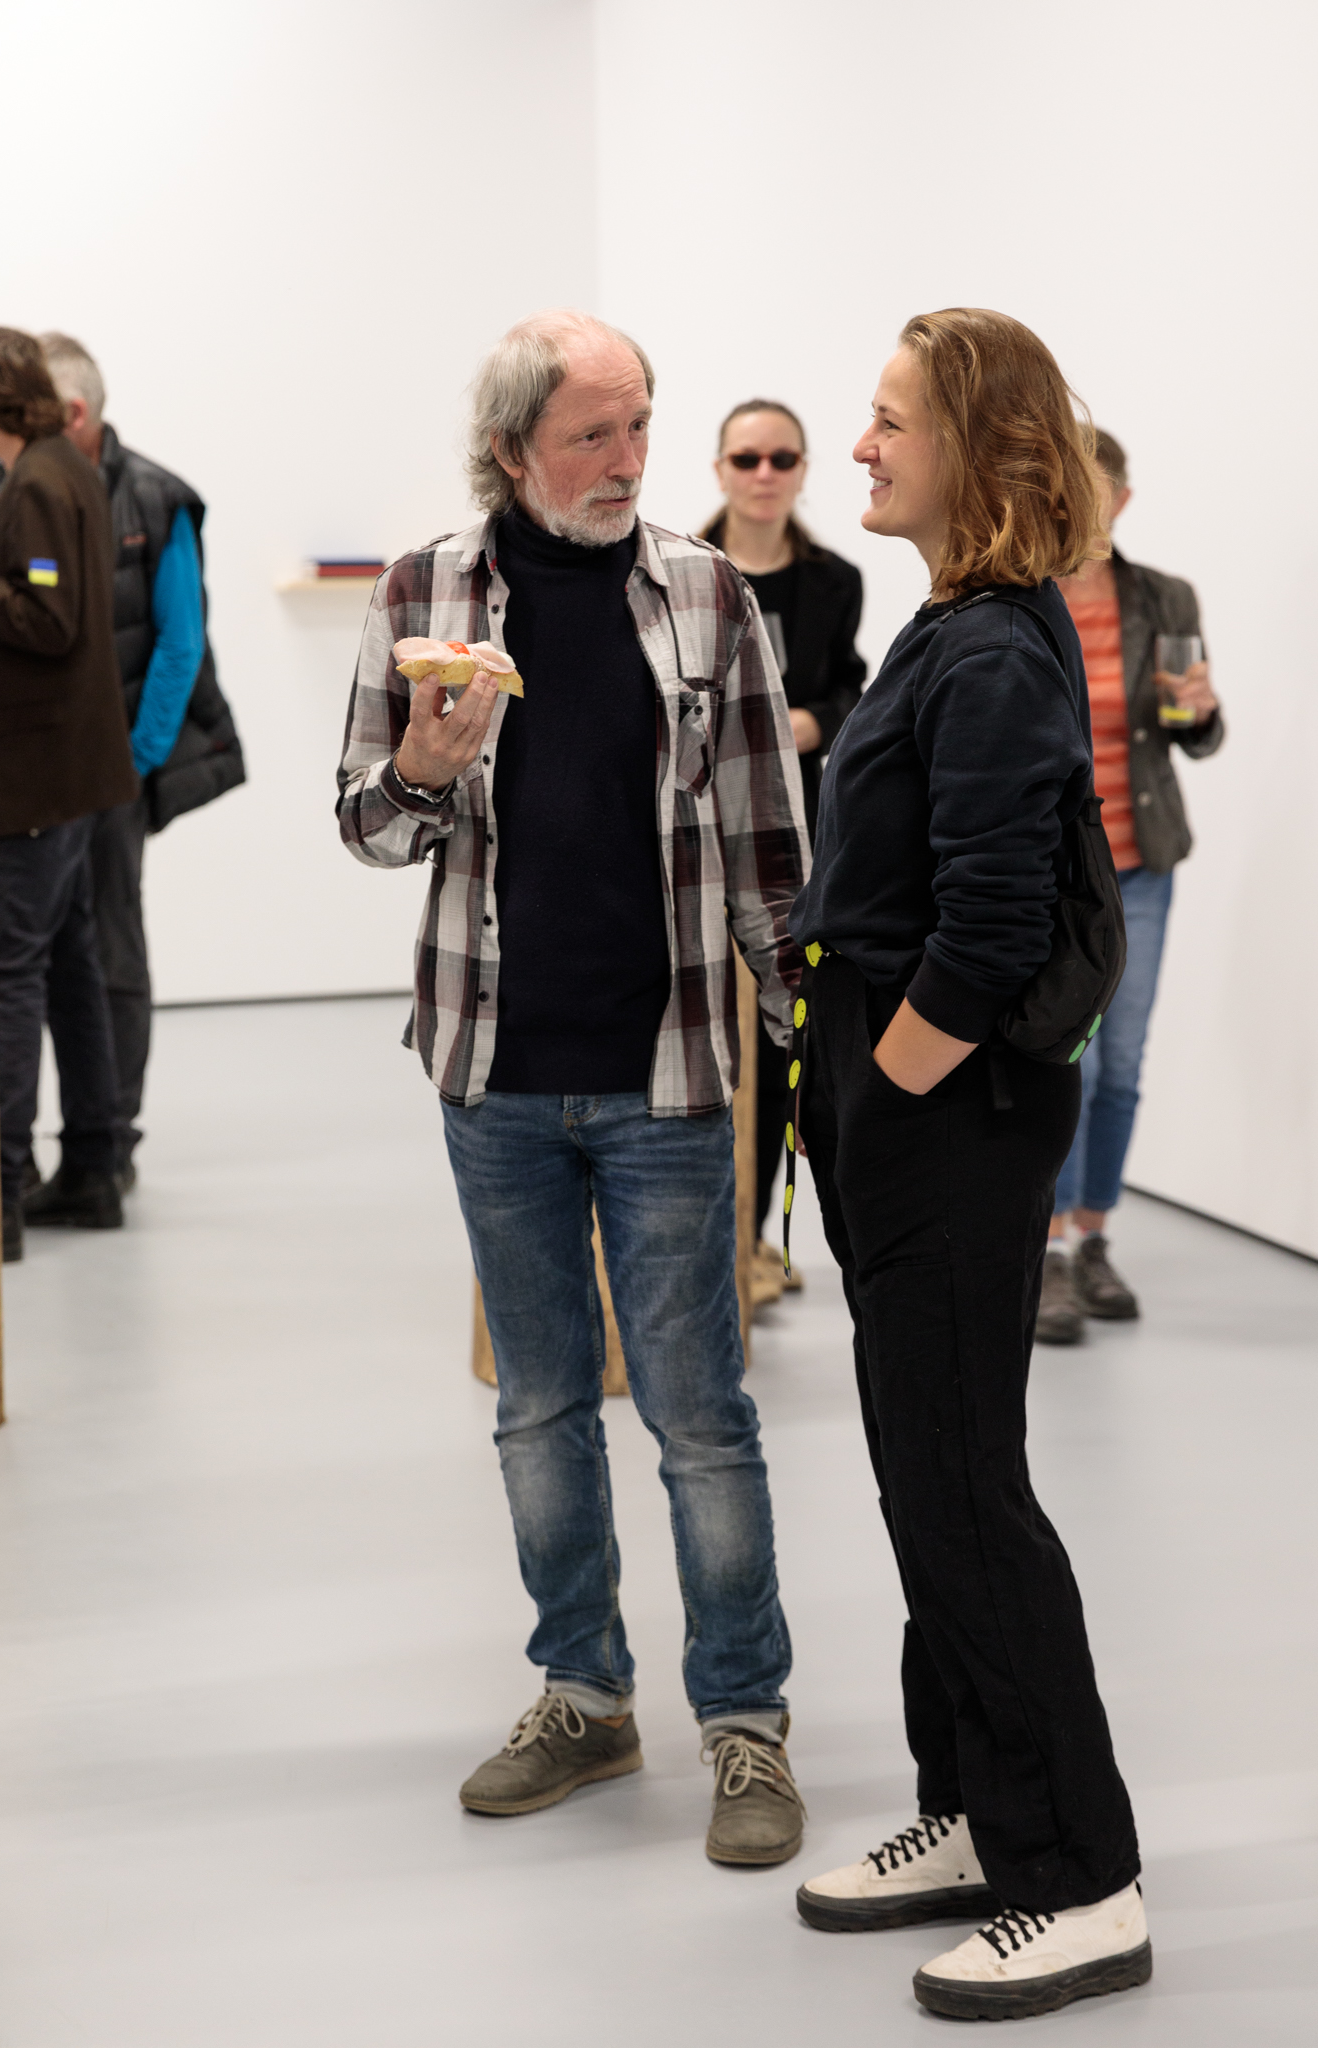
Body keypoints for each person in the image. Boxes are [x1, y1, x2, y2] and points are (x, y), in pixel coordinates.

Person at [337, 310, 811, 1866]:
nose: (627, 460)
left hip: (667, 1074)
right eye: (591, 434)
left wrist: (806, 1022)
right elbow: (367, 828)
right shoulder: (421, 593)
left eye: (640, 425)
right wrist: (422, 765)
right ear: (510, 448)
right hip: (495, 1075)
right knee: (540, 1409)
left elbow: (767, 845)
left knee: (698, 1415)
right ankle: (586, 1696)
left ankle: (744, 1719)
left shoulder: (707, 592)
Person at [789, 310, 1148, 2023]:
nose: (858, 447)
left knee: (965, 1492)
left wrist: (890, 1086)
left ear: (978, 449)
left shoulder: (993, 650)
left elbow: (996, 921)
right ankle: (976, 1812)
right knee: (925, 1477)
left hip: (942, 1114)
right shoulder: (954, 623)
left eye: (886, 420)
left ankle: (1077, 1879)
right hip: (902, 1102)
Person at [0, 334, 245, 1207]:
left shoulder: (158, 497)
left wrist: (129, 764)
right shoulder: (17, 478)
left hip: (111, 768)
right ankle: (66, 1155)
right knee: (58, 955)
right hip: (53, 769)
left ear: (71, 412)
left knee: (108, 952)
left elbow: (179, 643)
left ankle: (107, 1147)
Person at [0, 328, 138, 1260]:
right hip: (71, 768)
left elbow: (48, 618)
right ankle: (96, 1168)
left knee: (14, 977)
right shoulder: (63, 465)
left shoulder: (35, 481)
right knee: (70, 968)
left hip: (35, 773)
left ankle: (0, 1196)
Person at [1036, 429, 1223, 1343]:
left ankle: (1093, 1236)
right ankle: (1046, 1249)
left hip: (1139, 864)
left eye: (1096, 487)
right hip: (1049, 869)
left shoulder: (1162, 597)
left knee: (1122, 1061)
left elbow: (1193, 732)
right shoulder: (1016, 596)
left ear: (1120, 499)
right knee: (1064, 1055)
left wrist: (1201, 711)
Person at [700, 400, 865, 1301]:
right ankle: (703, 1244)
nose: (764, 474)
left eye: (781, 458)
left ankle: (755, 1241)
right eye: (747, 458)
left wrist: (813, 723)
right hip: (694, 837)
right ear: (720, 468)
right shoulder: (682, 571)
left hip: (792, 838)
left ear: (801, 470)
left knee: (777, 1043)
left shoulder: (834, 581)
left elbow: (851, 689)